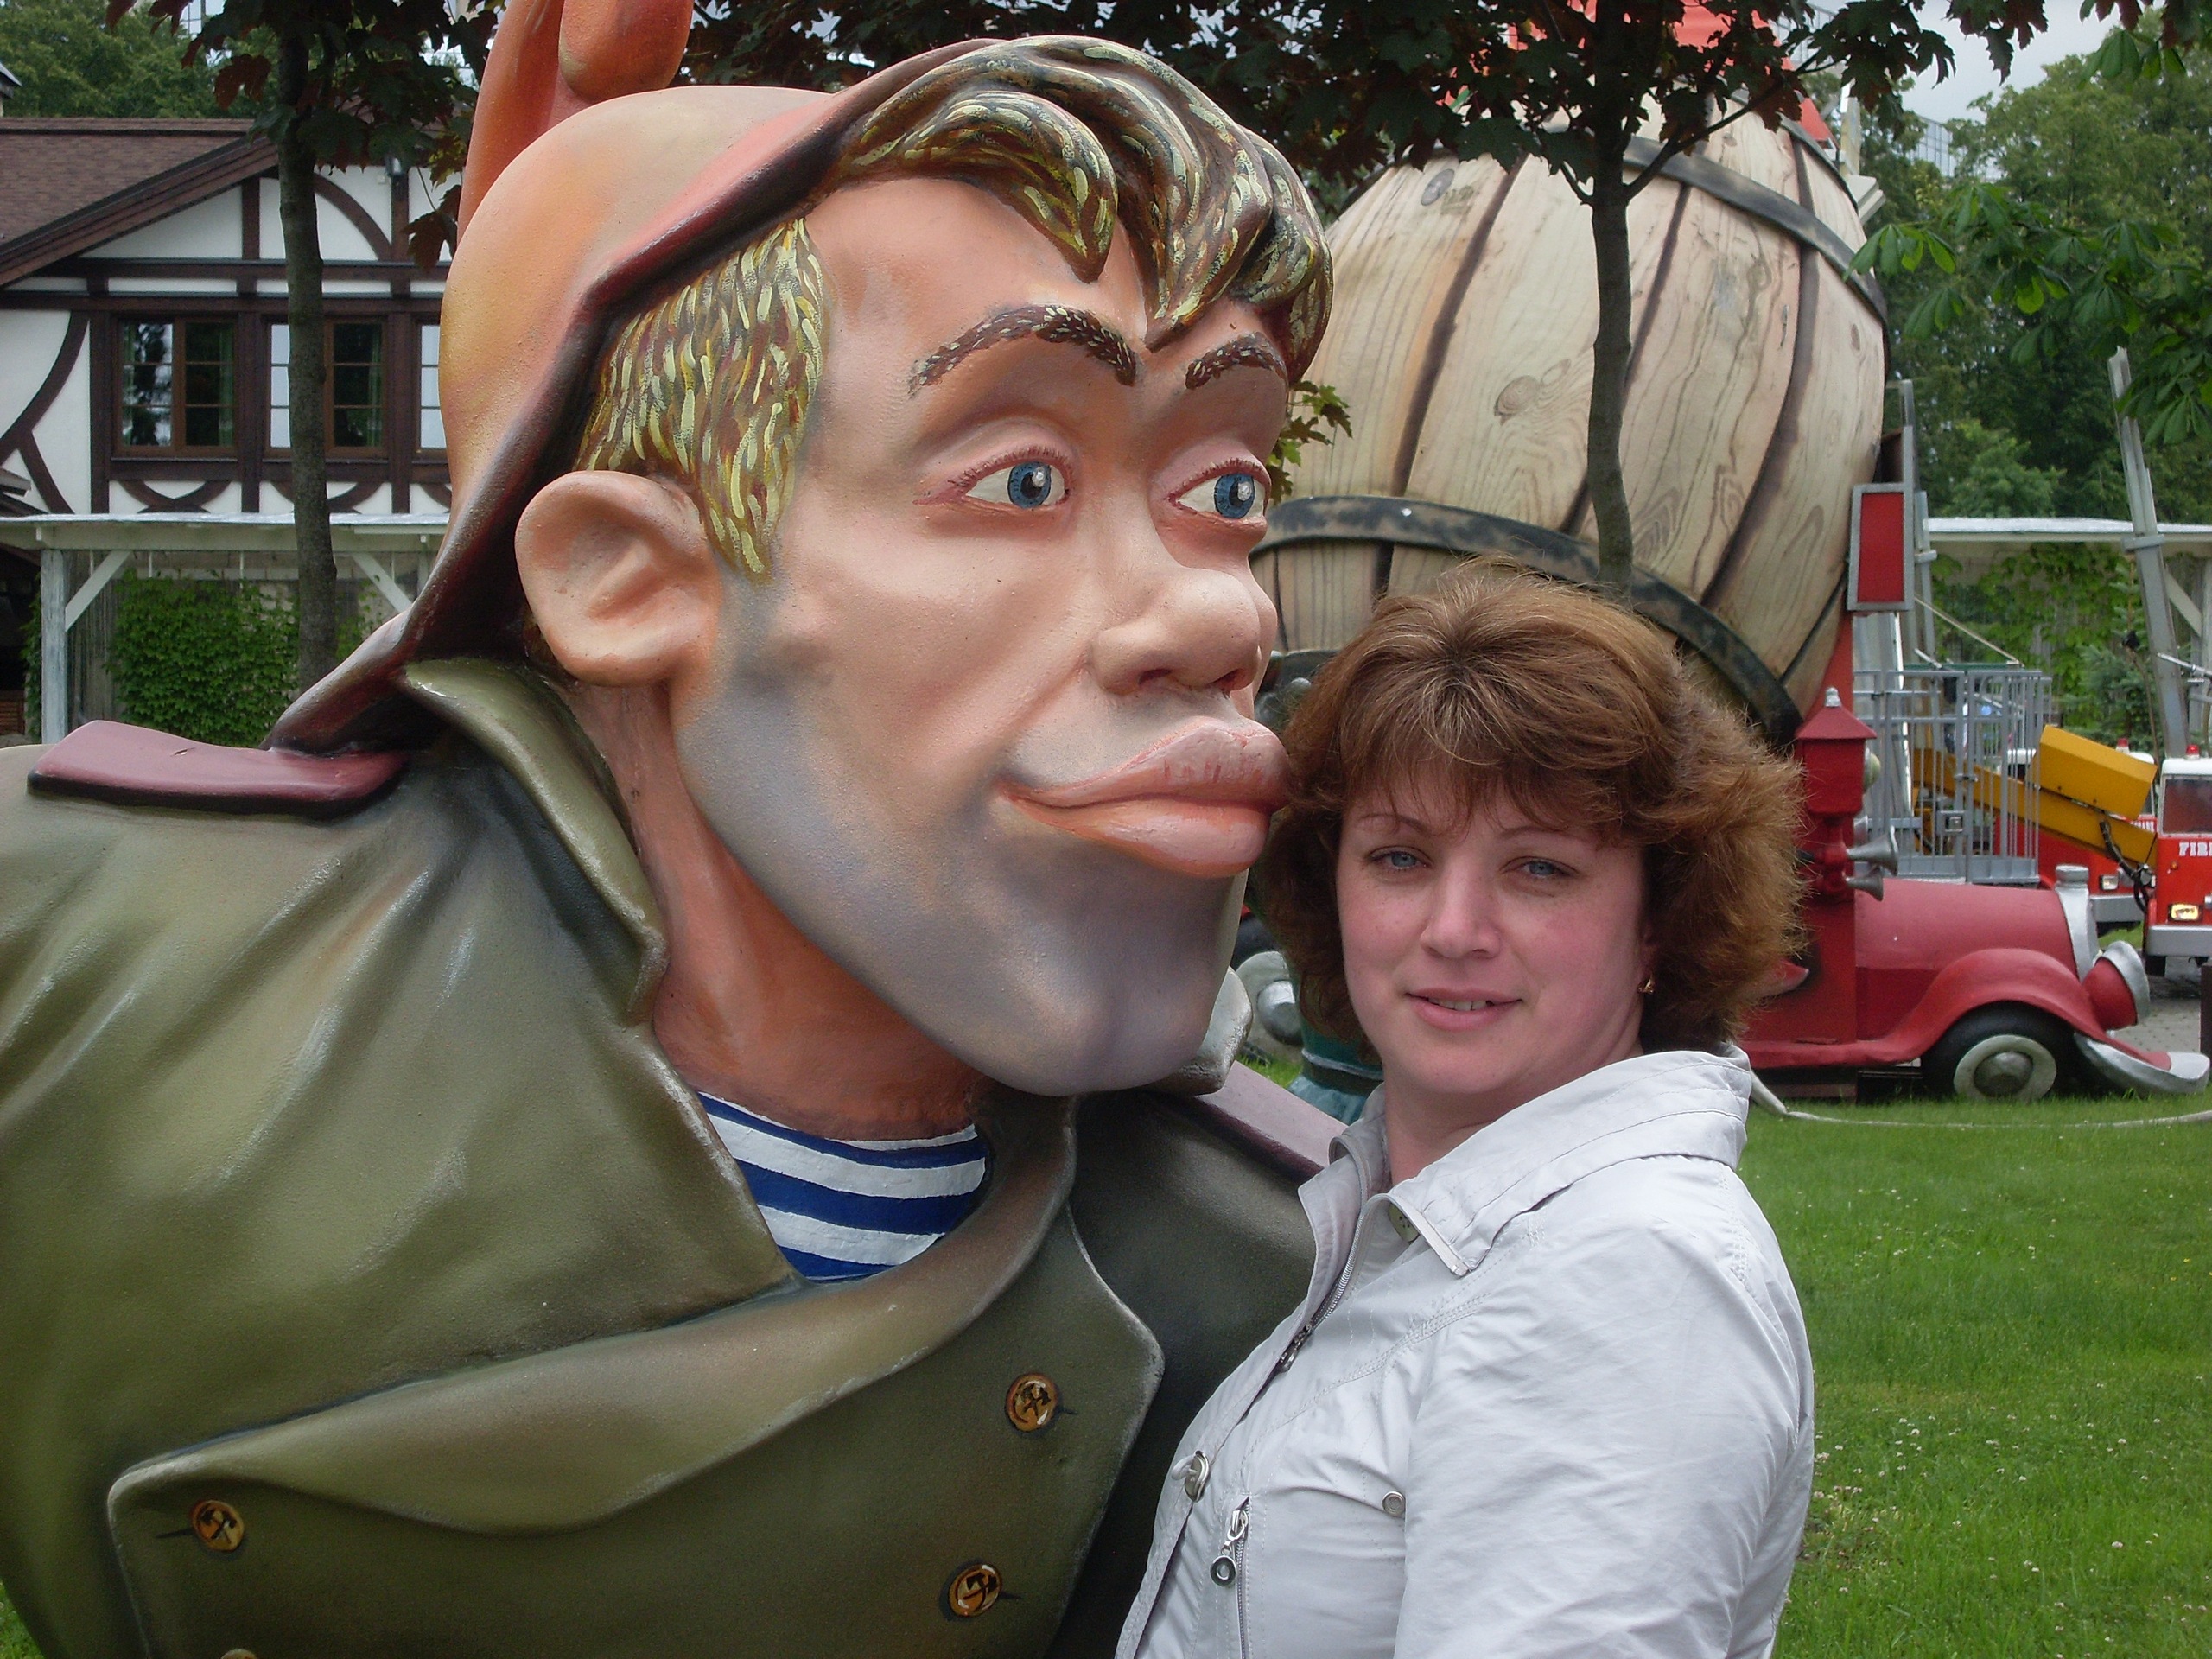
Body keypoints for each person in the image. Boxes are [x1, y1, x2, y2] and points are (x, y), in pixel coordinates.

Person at [0, 6, 1340, 1656]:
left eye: (1225, 493)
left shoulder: (1255, 1257)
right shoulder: (88, 961)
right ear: (623, 578)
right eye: (1022, 480)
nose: (1217, 617)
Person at [1117, 563, 1815, 1659]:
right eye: (1400, 856)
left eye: (1538, 869)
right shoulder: (1412, 1221)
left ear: (1659, 919)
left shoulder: (1624, 1277)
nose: (1453, 929)